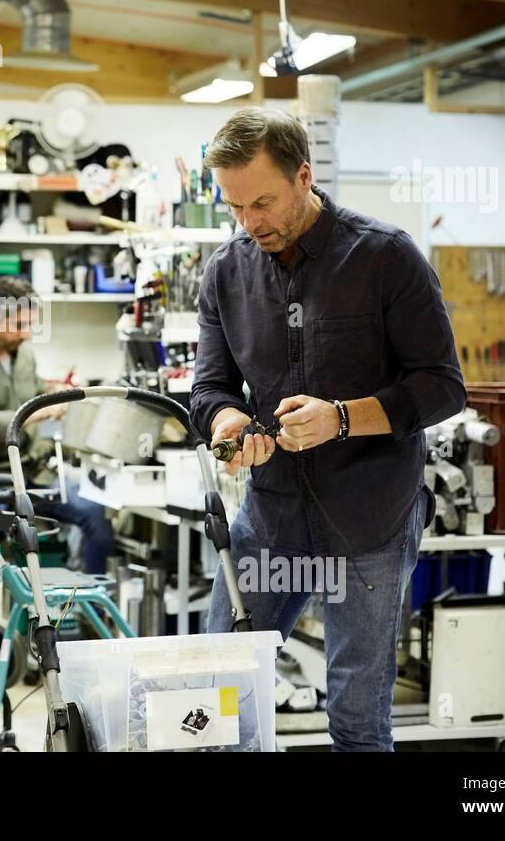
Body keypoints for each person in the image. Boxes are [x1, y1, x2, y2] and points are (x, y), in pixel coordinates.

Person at [190, 107, 465, 751]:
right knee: (214, 691)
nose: (251, 223)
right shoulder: (226, 274)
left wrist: (341, 419)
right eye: (234, 207)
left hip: (367, 520)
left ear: (304, 176)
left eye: (262, 201)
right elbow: (210, 389)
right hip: (274, 518)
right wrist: (232, 423)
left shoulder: (384, 258)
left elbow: (442, 386)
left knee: (356, 717)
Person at [0, 276, 115, 605]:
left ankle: (89, 609)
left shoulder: (24, 356)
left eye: (30, 324)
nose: (26, 332)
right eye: (19, 324)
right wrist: (39, 412)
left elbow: (35, 388)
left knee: (95, 511)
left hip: (31, 473)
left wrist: (55, 392)